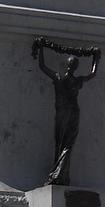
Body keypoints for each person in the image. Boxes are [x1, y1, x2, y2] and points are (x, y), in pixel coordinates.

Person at [33, 39, 100, 186]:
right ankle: (61, 174)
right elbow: (93, 73)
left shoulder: (58, 77)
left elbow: (42, 66)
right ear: (75, 67)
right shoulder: (78, 81)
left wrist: (41, 48)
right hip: (74, 111)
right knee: (68, 143)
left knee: (61, 143)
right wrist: (96, 57)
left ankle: (58, 173)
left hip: (63, 112)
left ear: (67, 65)